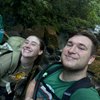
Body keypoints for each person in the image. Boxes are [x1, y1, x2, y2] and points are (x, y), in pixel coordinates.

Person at [25, 30, 100, 100]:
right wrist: (28, 97)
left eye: (81, 48)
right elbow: (34, 82)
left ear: (91, 59)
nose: (71, 50)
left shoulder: (86, 95)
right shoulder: (53, 68)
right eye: (69, 45)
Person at [0, 35, 45, 100]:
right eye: (26, 42)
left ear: (40, 51)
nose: (27, 46)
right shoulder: (8, 60)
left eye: (33, 44)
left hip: (10, 88)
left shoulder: (35, 68)